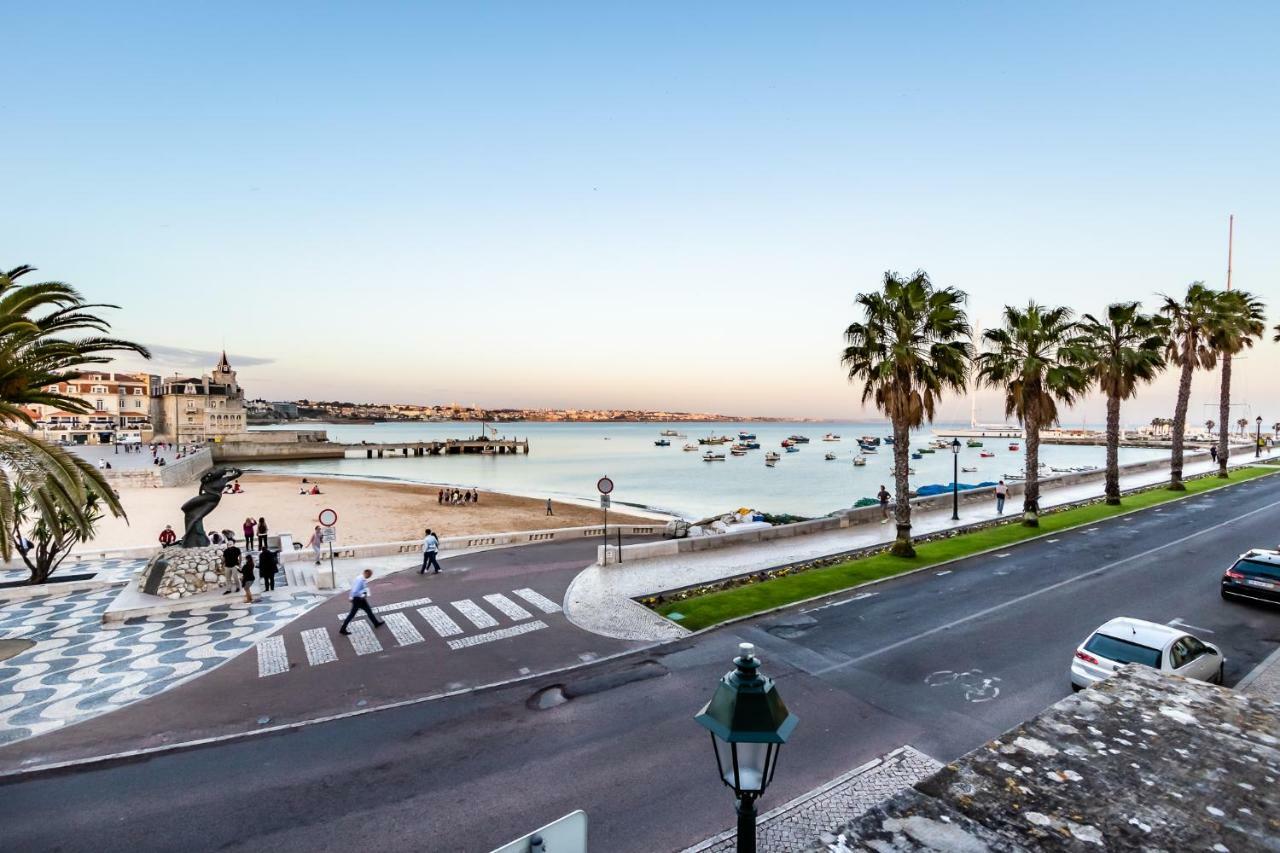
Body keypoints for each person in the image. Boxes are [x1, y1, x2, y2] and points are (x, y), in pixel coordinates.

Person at [339, 569, 385, 635]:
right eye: (369, 575)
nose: (369, 577)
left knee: (368, 610)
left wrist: (351, 596)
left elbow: (353, 588)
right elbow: (355, 590)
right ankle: (342, 629)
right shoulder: (360, 580)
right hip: (358, 599)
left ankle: (376, 623)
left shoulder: (360, 578)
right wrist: (362, 595)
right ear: (366, 573)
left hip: (359, 599)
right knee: (352, 614)